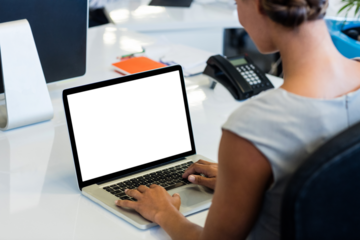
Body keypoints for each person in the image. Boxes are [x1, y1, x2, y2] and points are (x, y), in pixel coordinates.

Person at [114, 0, 360, 239]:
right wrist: (249, 181)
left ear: (257, 4)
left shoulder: (255, 124)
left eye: (236, 4)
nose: (239, 18)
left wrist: (163, 212)